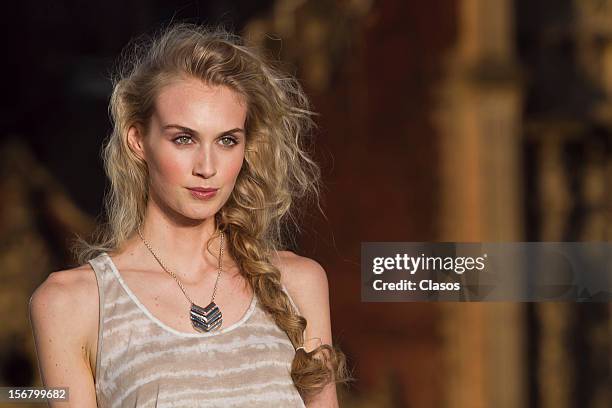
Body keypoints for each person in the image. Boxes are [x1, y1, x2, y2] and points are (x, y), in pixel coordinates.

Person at [29, 23, 351, 407]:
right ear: (138, 140)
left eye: (227, 140)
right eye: (184, 138)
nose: (207, 166)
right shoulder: (73, 303)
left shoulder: (298, 284)